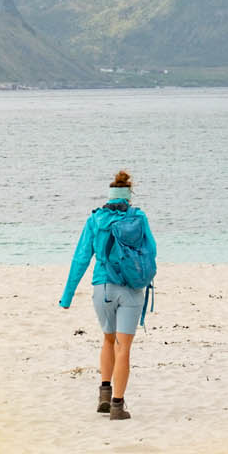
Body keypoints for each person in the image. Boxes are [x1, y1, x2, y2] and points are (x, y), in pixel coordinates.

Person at [59, 169, 156, 421]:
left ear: (110, 195)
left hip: (103, 288)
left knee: (108, 340)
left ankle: (104, 392)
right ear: (128, 196)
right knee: (124, 347)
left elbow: (81, 258)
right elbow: (151, 252)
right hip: (131, 289)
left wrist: (67, 296)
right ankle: (117, 406)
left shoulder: (95, 220)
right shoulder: (139, 218)